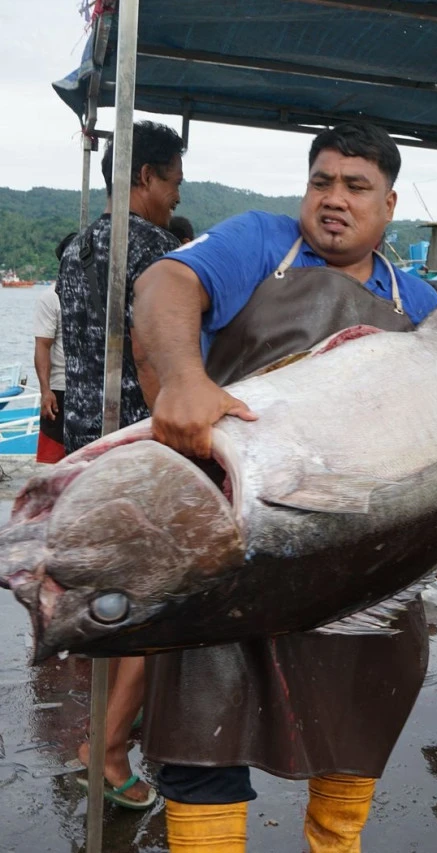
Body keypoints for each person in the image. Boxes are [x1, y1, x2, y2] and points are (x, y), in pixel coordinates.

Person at [132, 122, 437, 851]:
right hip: (232, 537)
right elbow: (163, 283)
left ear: (390, 203)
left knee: (357, 717)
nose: (333, 199)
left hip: (360, 555)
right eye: (322, 181)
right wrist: (184, 376)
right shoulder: (260, 243)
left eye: (356, 186)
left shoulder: (422, 302)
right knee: (199, 729)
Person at [55, 119, 185, 808]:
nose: (171, 197)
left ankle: (101, 739)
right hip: (140, 449)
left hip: (86, 446)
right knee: (153, 610)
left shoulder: (78, 247)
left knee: (112, 605)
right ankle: (105, 752)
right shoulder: (155, 248)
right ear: (145, 178)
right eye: (170, 183)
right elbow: (150, 352)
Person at [33, 284, 66, 463]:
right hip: (60, 388)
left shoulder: (103, 292)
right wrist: (45, 390)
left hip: (94, 387)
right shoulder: (51, 297)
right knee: (53, 461)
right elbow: (42, 345)